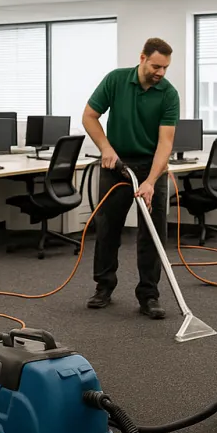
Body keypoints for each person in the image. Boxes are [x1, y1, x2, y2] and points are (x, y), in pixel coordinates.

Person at [82, 37, 180, 320]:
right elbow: (89, 116)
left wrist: (151, 181)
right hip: (116, 164)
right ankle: (104, 286)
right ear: (142, 58)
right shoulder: (115, 80)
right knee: (108, 226)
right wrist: (106, 148)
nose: (160, 72)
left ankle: (149, 295)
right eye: (156, 66)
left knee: (152, 232)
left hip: (152, 166)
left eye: (165, 68)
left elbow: (165, 143)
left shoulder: (168, 94)